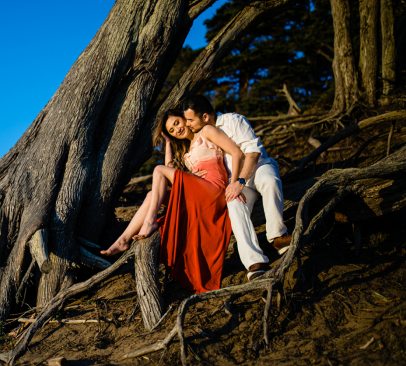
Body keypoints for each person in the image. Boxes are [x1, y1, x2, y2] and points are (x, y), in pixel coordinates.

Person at [100, 108, 243, 294]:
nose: (177, 130)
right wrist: (168, 142)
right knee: (153, 195)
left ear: (185, 118)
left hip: (214, 191)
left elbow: (236, 152)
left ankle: (150, 221)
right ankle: (123, 239)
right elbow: (168, 170)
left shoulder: (206, 132)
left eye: (177, 123)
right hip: (199, 193)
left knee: (158, 171)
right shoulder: (187, 151)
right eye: (172, 131)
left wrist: (235, 184)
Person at [180, 95, 292, 281]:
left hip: (257, 169)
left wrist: (239, 181)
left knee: (270, 181)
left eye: (191, 120)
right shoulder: (203, 135)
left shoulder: (234, 120)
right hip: (236, 184)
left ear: (205, 117)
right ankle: (254, 262)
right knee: (234, 206)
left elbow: (253, 151)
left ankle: (278, 236)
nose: (188, 124)